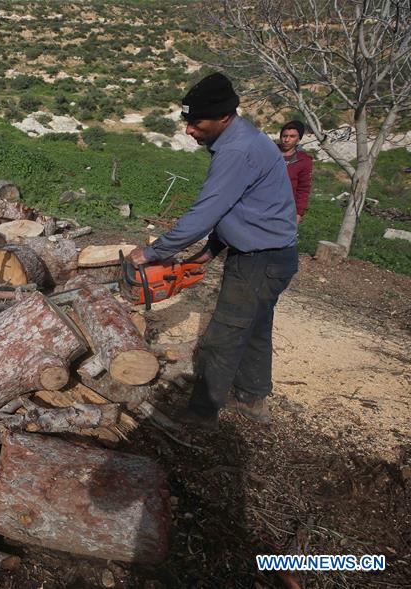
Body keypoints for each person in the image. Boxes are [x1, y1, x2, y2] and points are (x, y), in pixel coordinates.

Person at [128, 73, 298, 428]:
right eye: (187, 122)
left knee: (223, 335)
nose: (189, 130)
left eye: (196, 123)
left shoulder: (238, 150)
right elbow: (236, 208)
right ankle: (252, 398)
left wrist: (152, 253)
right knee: (254, 328)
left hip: (260, 260)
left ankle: (201, 414)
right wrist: (210, 252)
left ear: (223, 117)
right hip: (267, 256)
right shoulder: (241, 139)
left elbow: (206, 211)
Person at [279, 120, 313, 224]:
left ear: (298, 139)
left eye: (292, 136)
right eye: (284, 136)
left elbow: (303, 188)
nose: (287, 139)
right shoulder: (269, 153)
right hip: (262, 205)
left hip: (286, 208)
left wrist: (299, 212)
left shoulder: (303, 160)